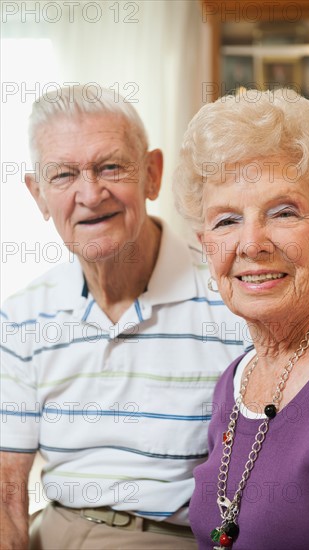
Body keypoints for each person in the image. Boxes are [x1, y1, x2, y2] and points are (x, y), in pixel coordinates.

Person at [0, 86, 249, 550]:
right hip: (50, 531)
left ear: (152, 175)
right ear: (38, 194)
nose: (91, 194)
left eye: (111, 166)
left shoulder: (234, 304)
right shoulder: (20, 317)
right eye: (63, 175)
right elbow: (6, 494)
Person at [173, 88, 309, 550]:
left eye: (283, 212)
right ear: (206, 245)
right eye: (226, 221)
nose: (252, 243)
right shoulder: (235, 382)